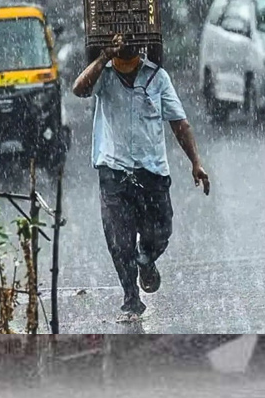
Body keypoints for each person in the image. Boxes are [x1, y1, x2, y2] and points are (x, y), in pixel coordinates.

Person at [72, 33, 211, 319]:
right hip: (114, 171)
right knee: (119, 242)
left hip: (152, 173)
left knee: (160, 232)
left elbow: (179, 123)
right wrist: (103, 57)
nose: (124, 45)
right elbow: (79, 89)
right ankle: (131, 300)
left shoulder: (157, 78)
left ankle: (146, 259)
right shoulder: (105, 75)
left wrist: (195, 162)